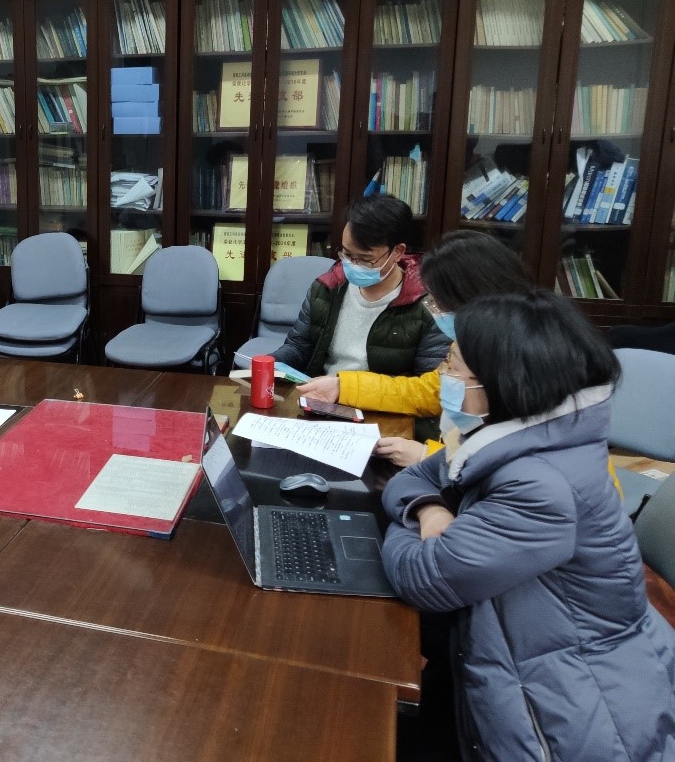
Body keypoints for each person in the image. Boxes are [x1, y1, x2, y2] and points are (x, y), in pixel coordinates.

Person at [381, 291, 675, 761]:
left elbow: (423, 576)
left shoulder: (541, 486)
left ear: (501, 383)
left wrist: (413, 525)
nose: (441, 375)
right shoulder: (506, 436)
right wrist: (430, 512)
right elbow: (412, 479)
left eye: (452, 365)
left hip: (562, 714)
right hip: (502, 649)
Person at [296, 230, 533, 465]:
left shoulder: (524, 361)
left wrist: (427, 456)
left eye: (442, 304)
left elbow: (514, 463)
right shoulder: (482, 340)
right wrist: (343, 386)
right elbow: (428, 391)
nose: (437, 313)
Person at [270, 193, 448, 378]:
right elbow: (298, 347)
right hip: (321, 392)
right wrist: (268, 363)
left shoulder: (430, 306)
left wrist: (348, 388)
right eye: (347, 254)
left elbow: (427, 385)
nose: (353, 265)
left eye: (365, 259)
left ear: (398, 252)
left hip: (379, 397)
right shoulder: (327, 288)